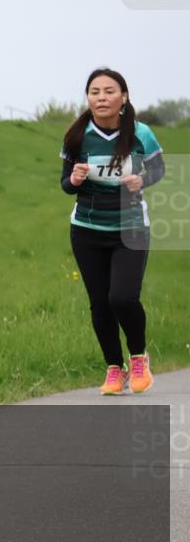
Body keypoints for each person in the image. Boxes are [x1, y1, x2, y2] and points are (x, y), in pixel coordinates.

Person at [60, 68, 165, 395]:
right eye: (94, 92)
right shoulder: (76, 135)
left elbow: (158, 168)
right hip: (87, 230)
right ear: (88, 98)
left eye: (108, 91)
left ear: (124, 97)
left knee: (122, 297)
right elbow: (65, 185)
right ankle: (113, 368)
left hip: (130, 227)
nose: (101, 97)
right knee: (100, 303)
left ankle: (138, 359)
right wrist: (74, 180)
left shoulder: (140, 133)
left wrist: (142, 180)